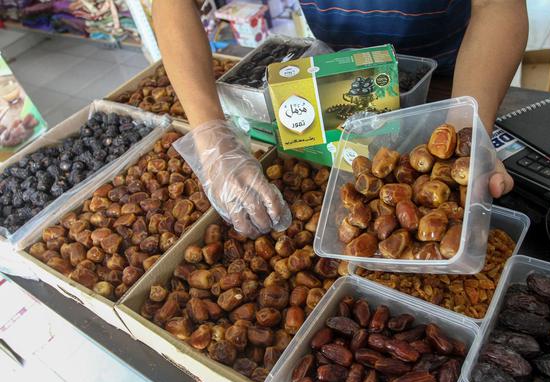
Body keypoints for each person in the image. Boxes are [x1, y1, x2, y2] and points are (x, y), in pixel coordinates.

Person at [152, 0, 528, 238]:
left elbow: (497, 7)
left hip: (447, 79)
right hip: (334, 77)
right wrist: (211, 137)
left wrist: (465, 124)